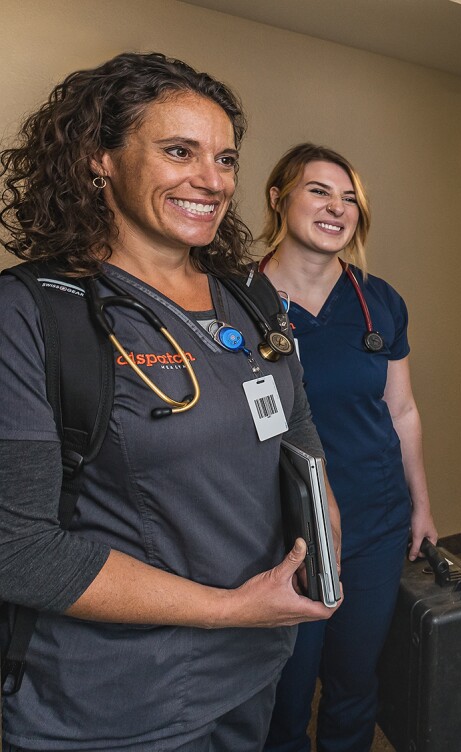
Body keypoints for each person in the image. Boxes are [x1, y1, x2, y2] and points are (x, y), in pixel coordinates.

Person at [0, 53, 338, 751]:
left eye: (224, 158)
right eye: (179, 152)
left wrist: (323, 539)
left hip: (250, 671)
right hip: (114, 704)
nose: (211, 181)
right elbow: (19, 550)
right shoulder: (33, 314)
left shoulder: (250, 297)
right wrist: (230, 609)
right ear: (100, 158)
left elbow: (297, 435)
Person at [257, 143, 439, 752]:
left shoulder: (378, 300)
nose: (337, 208)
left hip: (374, 522)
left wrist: (422, 504)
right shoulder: (234, 301)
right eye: (319, 191)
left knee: (355, 683)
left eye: (350, 198)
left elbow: (403, 410)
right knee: (283, 693)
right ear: (278, 199)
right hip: (278, 531)